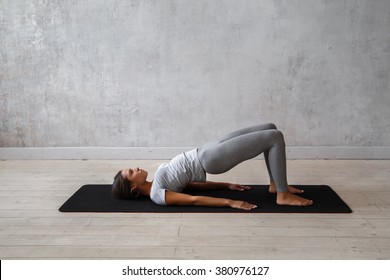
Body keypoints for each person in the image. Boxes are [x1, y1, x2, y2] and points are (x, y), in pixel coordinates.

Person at [112, 123, 313, 210]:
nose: (136, 168)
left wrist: (226, 185)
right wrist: (229, 202)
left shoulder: (157, 182)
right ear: (133, 188)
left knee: (270, 128)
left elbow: (190, 185)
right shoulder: (157, 195)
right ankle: (282, 195)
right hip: (210, 159)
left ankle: (274, 184)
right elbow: (193, 200)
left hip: (207, 149)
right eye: (131, 172)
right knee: (275, 138)